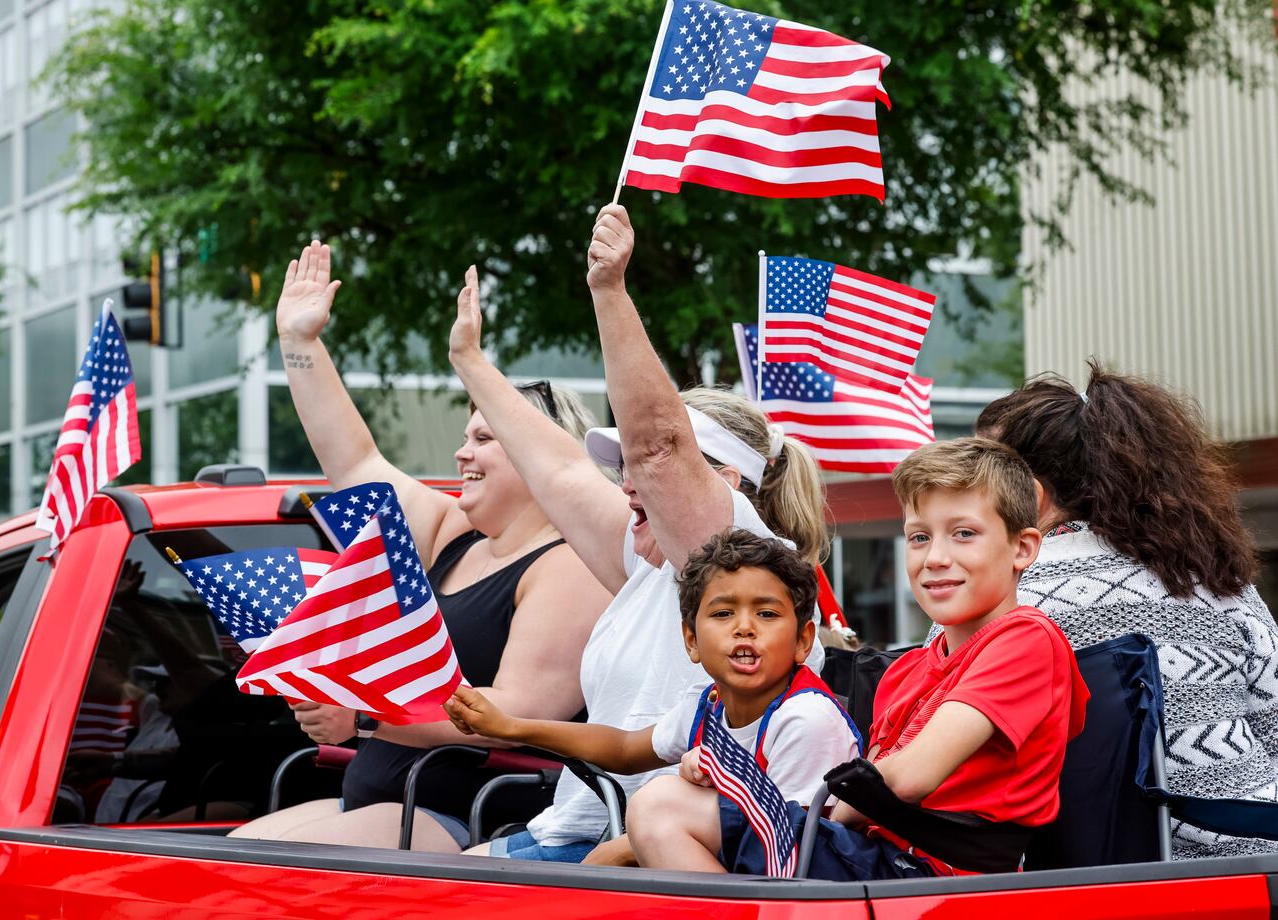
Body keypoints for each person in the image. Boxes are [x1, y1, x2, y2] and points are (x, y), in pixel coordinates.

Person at [446, 204, 830, 863]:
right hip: (577, 839)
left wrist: (609, 291)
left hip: (647, 861)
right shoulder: (654, 568)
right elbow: (561, 468)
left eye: (643, 475)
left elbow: (657, 450)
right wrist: (470, 362)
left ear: (725, 483)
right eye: (618, 469)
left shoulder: (736, 551)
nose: (627, 484)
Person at [229, 241, 610, 852]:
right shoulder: (455, 535)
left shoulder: (572, 564)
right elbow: (353, 458)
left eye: (484, 437)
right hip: (381, 801)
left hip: (462, 821)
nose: (460, 454)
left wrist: (362, 712)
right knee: (221, 865)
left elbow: (513, 711)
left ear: (537, 450)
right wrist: (301, 345)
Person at [976, 365, 1278, 858]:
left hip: (1103, 879)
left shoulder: (1001, 596)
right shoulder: (1216, 578)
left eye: (980, 477)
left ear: (1029, 494)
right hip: (1260, 857)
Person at [445, 528, 859, 873]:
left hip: (802, 890)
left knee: (653, 808)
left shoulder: (805, 718)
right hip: (741, 877)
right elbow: (624, 749)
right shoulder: (708, 705)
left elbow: (795, 853)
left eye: (767, 614)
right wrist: (507, 726)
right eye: (723, 614)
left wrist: (627, 847)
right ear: (691, 641)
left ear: (804, 641)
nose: (745, 628)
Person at [798, 438, 1088, 880]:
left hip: (941, 878)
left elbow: (907, 778)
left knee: (670, 813)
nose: (935, 558)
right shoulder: (905, 672)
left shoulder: (1027, 640)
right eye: (919, 537)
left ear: (1022, 549)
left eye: (964, 533)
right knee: (670, 804)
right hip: (875, 860)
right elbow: (870, 788)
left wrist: (836, 810)